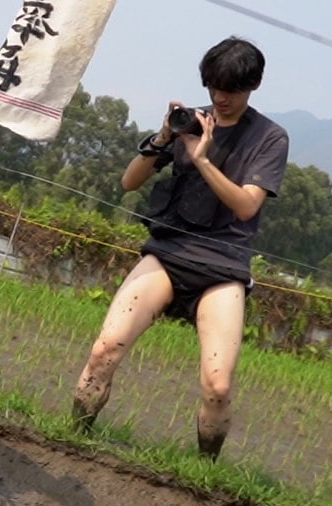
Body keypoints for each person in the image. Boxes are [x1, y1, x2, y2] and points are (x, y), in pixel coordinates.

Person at [68, 37, 289, 459]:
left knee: (218, 384)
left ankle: (203, 471)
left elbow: (246, 206)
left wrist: (203, 159)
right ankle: (73, 440)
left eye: (232, 90)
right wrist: (165, 135)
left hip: (223, 267)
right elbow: (129, 183)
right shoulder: (193, 122)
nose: (221, 98)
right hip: (167, 254)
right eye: (214, 87)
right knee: (104, 349)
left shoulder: (269, 138)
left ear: (253, 86)